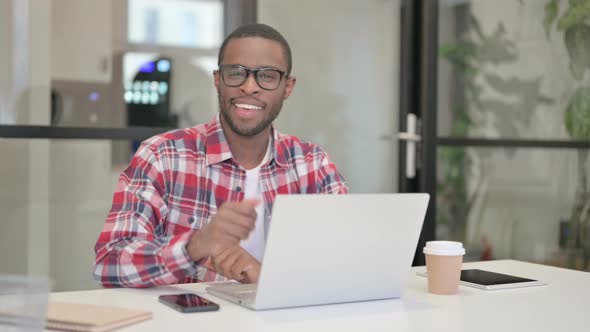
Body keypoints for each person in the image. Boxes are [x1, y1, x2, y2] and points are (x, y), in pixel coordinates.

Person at [93, 23, 348, 288]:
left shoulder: (313, 165)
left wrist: (264, 276)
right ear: (218, 80)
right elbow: (108, 264)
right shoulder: (162, 156)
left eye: (268, 76)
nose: (249, 87)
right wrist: (194, 247)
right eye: (236, 73)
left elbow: (346, 261)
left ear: (288, 87)